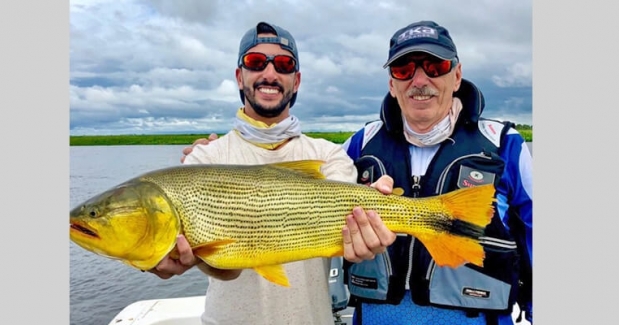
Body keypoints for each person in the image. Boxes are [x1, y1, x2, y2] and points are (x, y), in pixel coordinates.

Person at [147, 21, 397, 325]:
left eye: (283, 64)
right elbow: (224, 269)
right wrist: (183, 257)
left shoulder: (328, 156)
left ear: (297, 80)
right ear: (240, 77)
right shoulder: (205, 157)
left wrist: (365, 236)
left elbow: (347, 232)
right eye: (255, 63)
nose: (269, 74)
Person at [340, 21, 533, 325]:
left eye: (434, 65)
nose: (419, 80)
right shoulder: (358, 146)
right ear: (392, 84)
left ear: (456, 76)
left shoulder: (505, 146)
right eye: (403, 69)